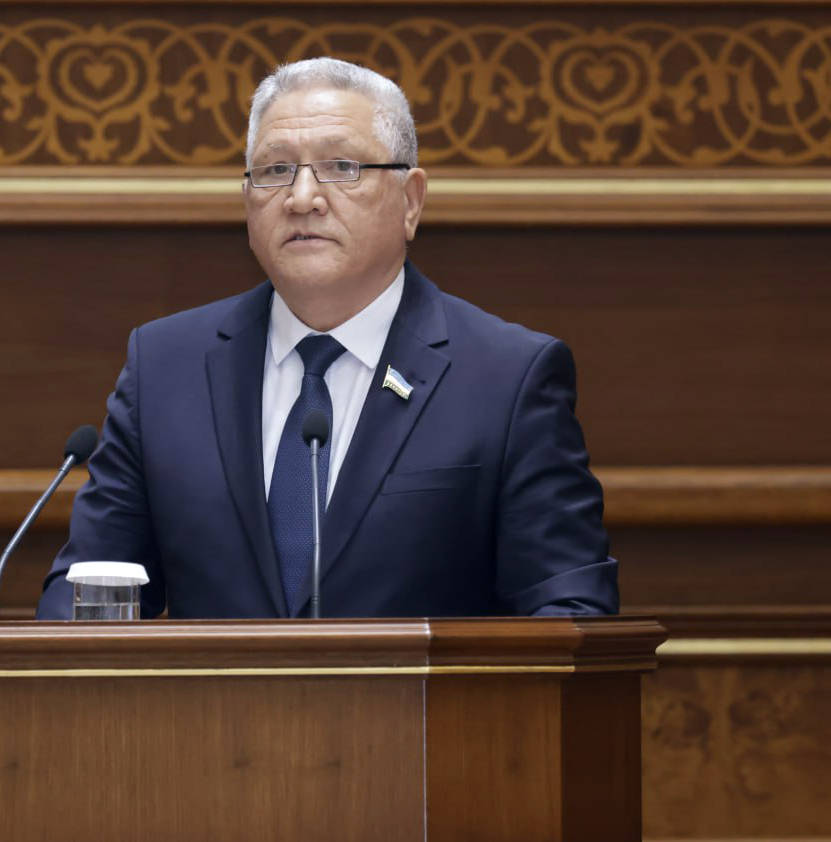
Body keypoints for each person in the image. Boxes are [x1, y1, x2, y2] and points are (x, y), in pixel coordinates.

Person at [36, 57, 617, 619]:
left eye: (342, 167)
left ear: (410, 202)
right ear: (247, 200)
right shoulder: (165, 367)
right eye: (275, 170)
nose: (302, 198)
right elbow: (85, 588)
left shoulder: (508, 378)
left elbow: (570, 612)